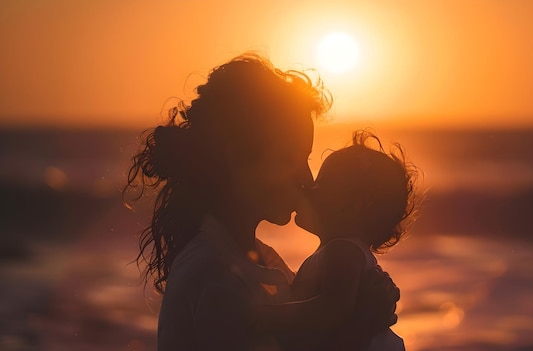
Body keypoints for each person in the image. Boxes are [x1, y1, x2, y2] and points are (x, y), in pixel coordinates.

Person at [124, 53, 400, 350]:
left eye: (306, 158)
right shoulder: (213, 276)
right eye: (290, 158)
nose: (306, 177)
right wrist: (362, 324)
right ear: (237, 158)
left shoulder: (260, 262)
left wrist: (362, 300)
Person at [252, 130, 420, 350]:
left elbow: (332, 309)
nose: (308, 188)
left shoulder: (342, 252)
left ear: (354, 205)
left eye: (320, 185)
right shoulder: (336, 252)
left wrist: (263, 317)